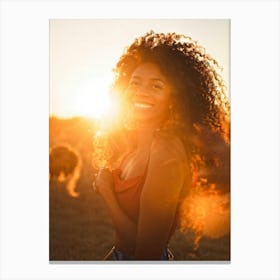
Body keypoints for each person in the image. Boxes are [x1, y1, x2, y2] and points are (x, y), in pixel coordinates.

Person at [92, 31, 230, 260]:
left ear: (175, 98)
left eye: (156, 86)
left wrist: (107, 192)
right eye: (135, 82)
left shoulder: (166, 152)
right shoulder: (133, 145)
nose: (141, 92)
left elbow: (146, 251)